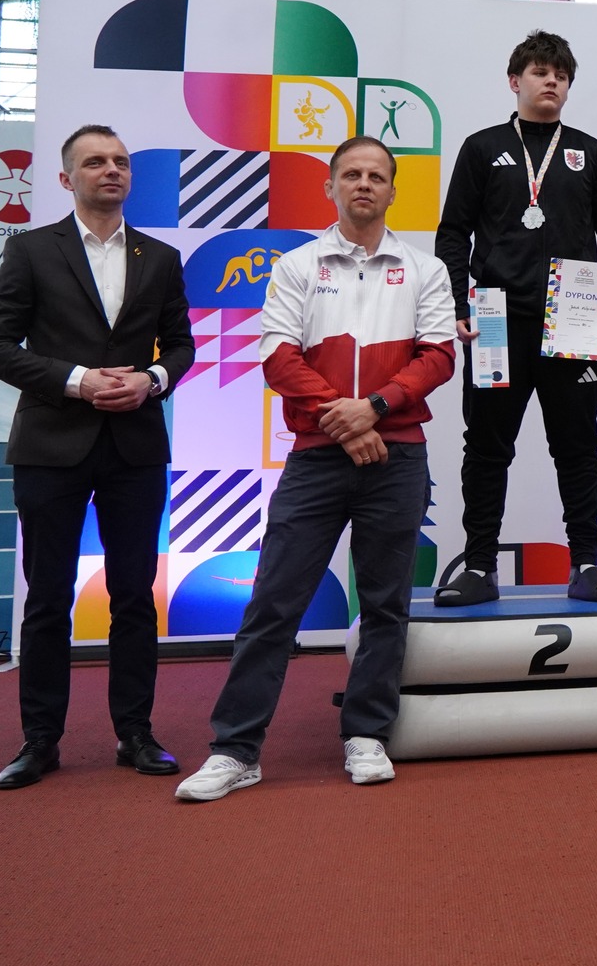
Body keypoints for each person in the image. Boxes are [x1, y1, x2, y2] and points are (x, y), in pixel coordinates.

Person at [175, 138, 456, 801]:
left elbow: (439, 357)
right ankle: (236, 749)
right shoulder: (297, 264)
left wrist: (374, 408)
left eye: (377, 176)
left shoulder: (425, 269)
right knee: (274, 602)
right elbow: (277, 357)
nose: (364, 184)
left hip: (397, 457)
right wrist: (348, 421)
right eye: (351, 174)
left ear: (393, 191)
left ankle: (366, 734)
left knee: (385, 605)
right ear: (330, 187)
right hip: (317, 456)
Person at [0, 125, 193, 789]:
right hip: (50, 446)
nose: (112, 170)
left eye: (120, 161)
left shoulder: (161, 256)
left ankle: (136, 733)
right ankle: (40, 740)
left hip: (135, 448)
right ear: (66, 179)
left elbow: (180, 345)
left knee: (134, 597)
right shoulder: (31, 250)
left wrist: (151, 379)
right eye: (95, 162)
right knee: (47, 598)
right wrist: (76, 380)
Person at [433, 30, 597, 606]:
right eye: (541, 72)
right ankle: (479, 567)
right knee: (486, 447)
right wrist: (458, 304)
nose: (552, 81)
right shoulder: (482, 148)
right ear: (514, 80)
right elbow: (453, 235)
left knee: (578, 446)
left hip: (575, 317)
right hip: (496, 319)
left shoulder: (590, 152)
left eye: (561, 75)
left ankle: (587, 563)